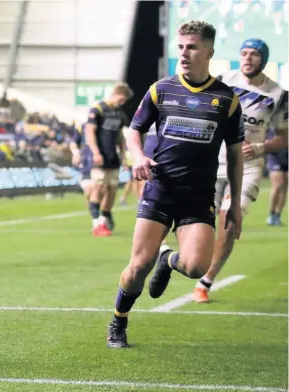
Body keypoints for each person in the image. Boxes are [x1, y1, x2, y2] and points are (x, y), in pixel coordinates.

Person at [106, 20, 245, 348]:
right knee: (138, 266)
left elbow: (237, 156)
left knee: (197, 267)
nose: (184, 53)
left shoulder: (226, 100)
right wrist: (138, 156)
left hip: (198, 197)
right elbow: (133, 130)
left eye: (192, 46)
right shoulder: (160, 90)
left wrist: (235, 202)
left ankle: (167, 259)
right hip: (161, 188)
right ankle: (118, 322)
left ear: (209, 51)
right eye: (181, 46)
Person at [192, 39, 288, 303]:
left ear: (263, 60)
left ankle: (206, 281)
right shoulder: (223, 80)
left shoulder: (278, 95)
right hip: (213, 163)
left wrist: (260, 147)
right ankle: (181, 259)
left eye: (254, 54)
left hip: (248, 168)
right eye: (244, 53)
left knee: (229, 218)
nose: (247, 58)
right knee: (200, 223)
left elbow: (284, 137)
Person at [84, 83, 134, 236]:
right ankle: (96, 224)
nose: (122, 102)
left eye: (124, 101)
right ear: (115, 94)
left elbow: (120, 137)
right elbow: (90, 132)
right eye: (121, 99)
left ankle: (104, 220)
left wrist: (124, 156)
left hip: (113, 157)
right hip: (100, 155)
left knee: (112, 189)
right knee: (98, 187)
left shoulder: (119, 113)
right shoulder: (98, 110)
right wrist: (96, 152)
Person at [266, 142, 288, 226]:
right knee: (278, 185)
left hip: (287, 155)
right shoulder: (273, 129)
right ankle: (271, 213)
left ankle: (277, 215)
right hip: (275, 156)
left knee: (285, 188)